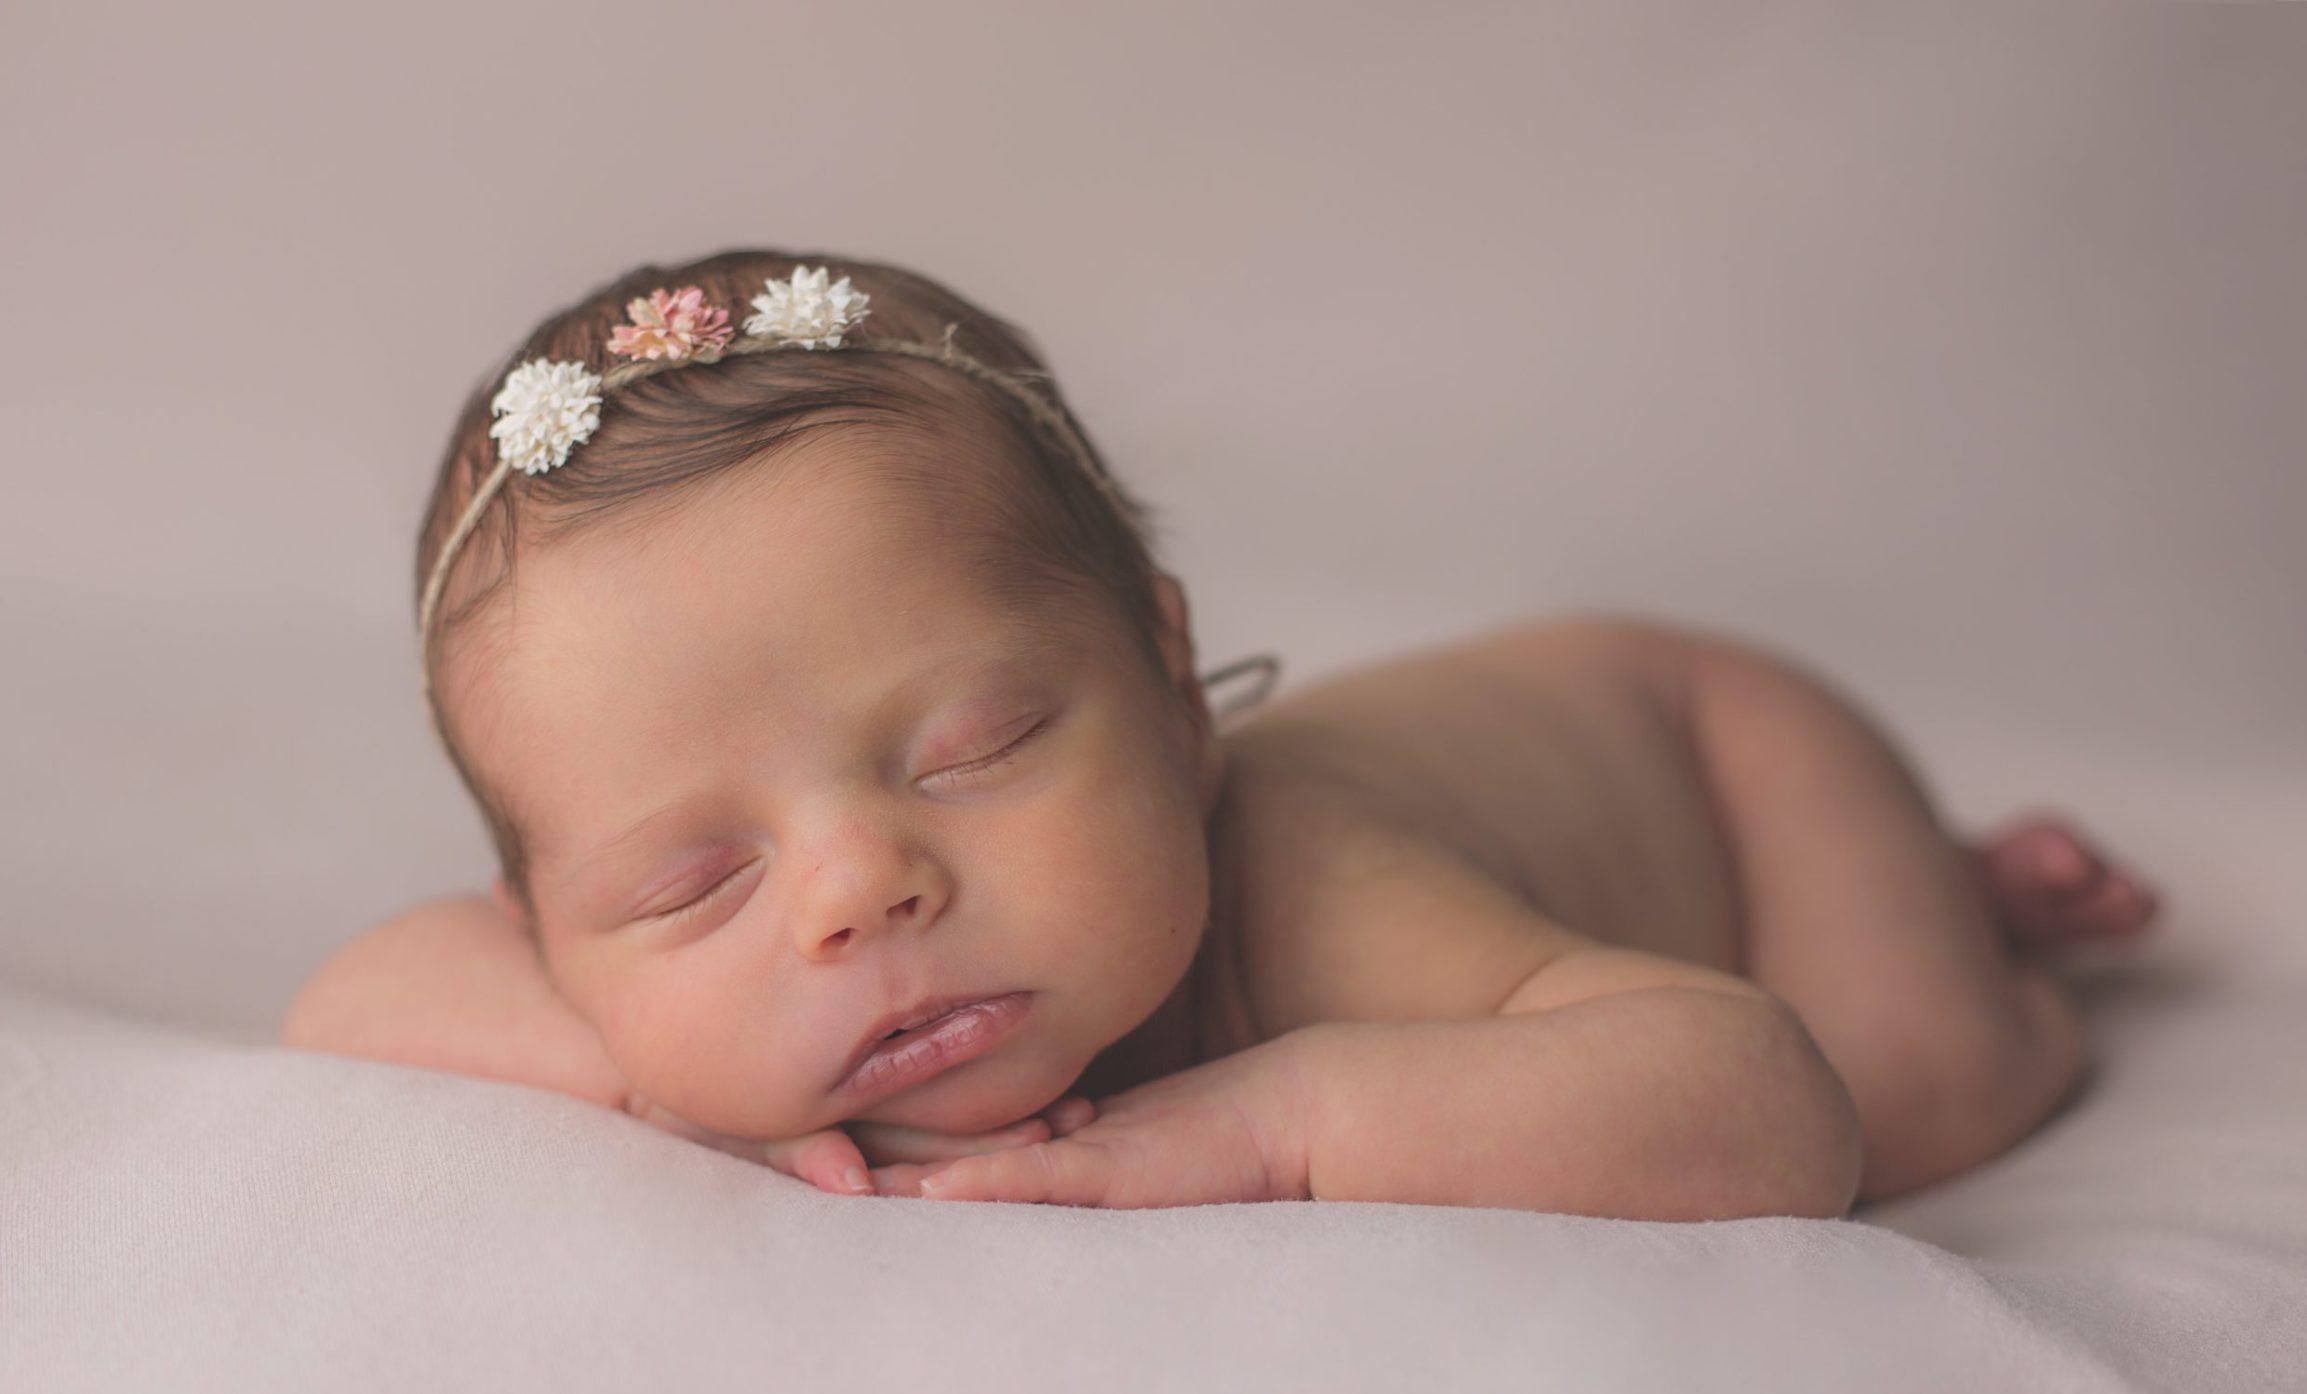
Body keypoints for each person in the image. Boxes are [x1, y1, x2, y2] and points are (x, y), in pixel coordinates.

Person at [280, 249, 2162, 1218]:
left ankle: (1966, 913)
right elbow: (352, 1004)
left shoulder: (1309, 899)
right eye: (695, 881)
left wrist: (1274, 1125)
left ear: (1176, 692)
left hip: (1709, 747)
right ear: (548, 926)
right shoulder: (598, 977)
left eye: (974, 747)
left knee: (1910, 1087)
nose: (860, 884)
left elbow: (1766, 1107)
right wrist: (669, 1077)